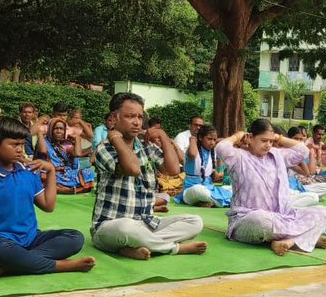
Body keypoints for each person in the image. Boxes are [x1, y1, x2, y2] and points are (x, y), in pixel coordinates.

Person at [0, 116, 94, 278]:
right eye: (14, 144)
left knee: (75, 238)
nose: (20, 149)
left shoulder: (27, 172)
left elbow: (48, 206)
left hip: (29, 239)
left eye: (22, 144)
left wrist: (51, 171)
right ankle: (60, 265)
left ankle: (13, 265)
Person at [90, 93, 206, 259]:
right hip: (110, 226)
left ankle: (132, 247)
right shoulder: (105, 148)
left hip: (146, 223)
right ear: (114, 118)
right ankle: (174, 248)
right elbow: (133, 169)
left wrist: (163, 137)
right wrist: (116, 138)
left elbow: (173, 170)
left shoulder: (145, 147)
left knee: (195, 222)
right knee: (126, 228)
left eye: (140, 116)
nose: (137, 122)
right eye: (130, 116)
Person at [216, 119, 326, 256]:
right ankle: (306, 237)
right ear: (251, 137)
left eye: (271, 141)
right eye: (263, 140)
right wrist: (239, 135)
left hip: (284, 216)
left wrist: (279, 137)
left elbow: (302, 151)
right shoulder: (239, 157)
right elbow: (221, 147)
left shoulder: (276, 155)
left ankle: (289, 242)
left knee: (323, 212)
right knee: (259, 219)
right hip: (248, 219)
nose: (268, 145)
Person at [179, 124, 232, 207]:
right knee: (199, 190)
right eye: (209, 139)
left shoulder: (213, 151)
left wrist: (216, 173)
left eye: (214, 139)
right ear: (200, 138)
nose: (212, 142)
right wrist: (193, 139)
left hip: (209, 188)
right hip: (191, 190)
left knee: (230, 188)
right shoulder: (193, 148)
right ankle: (230, 201)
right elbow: (193, 154)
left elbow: (225, 142)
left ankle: (207, 201)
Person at [46, 116, 95, 193]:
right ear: (50, 130)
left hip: (67, 173)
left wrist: (77, 139)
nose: (59, 131)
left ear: (65, 131)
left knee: (88, 171)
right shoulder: (45, 143)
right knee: (45, 177)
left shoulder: (65, 144)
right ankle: (67, 190)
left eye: (61, 129)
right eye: (56, 128)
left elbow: (77, 154)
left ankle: (69, 188)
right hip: (53, 173)